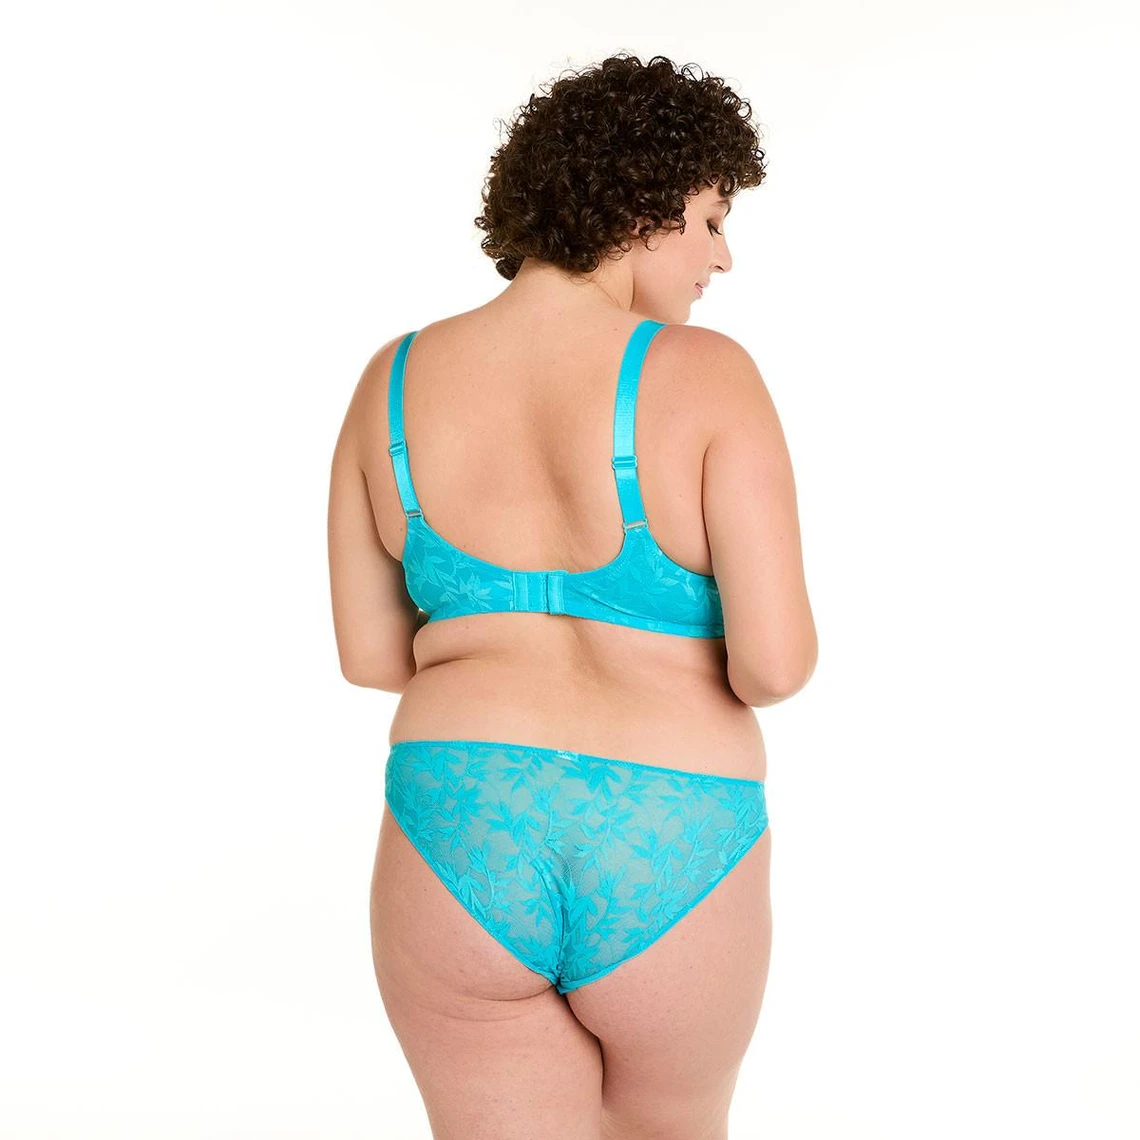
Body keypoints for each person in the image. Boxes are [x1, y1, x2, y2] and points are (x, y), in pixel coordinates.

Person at [328, 51, 817, 1140]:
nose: (722, 257)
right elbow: (773, 667)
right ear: (644, 205)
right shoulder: (707, 375)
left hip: (459, 826)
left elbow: (370, 656)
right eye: (712, 220)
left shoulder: (391, 379)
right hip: (672, 829)